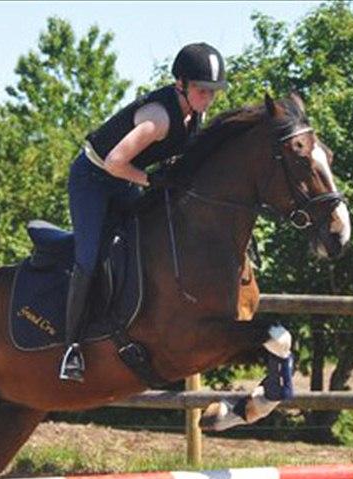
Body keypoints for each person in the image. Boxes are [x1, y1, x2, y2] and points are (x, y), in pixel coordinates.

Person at [60, 42, 227, 382]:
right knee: (90, 257)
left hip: (123, 178)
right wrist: (151, 180)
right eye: (202, 90)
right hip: (93, 178)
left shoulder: (195, 114)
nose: (207, 98)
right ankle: (70, 346)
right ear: (180, 84)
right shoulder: (159, 119)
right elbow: (114, 162)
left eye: (212, 92)